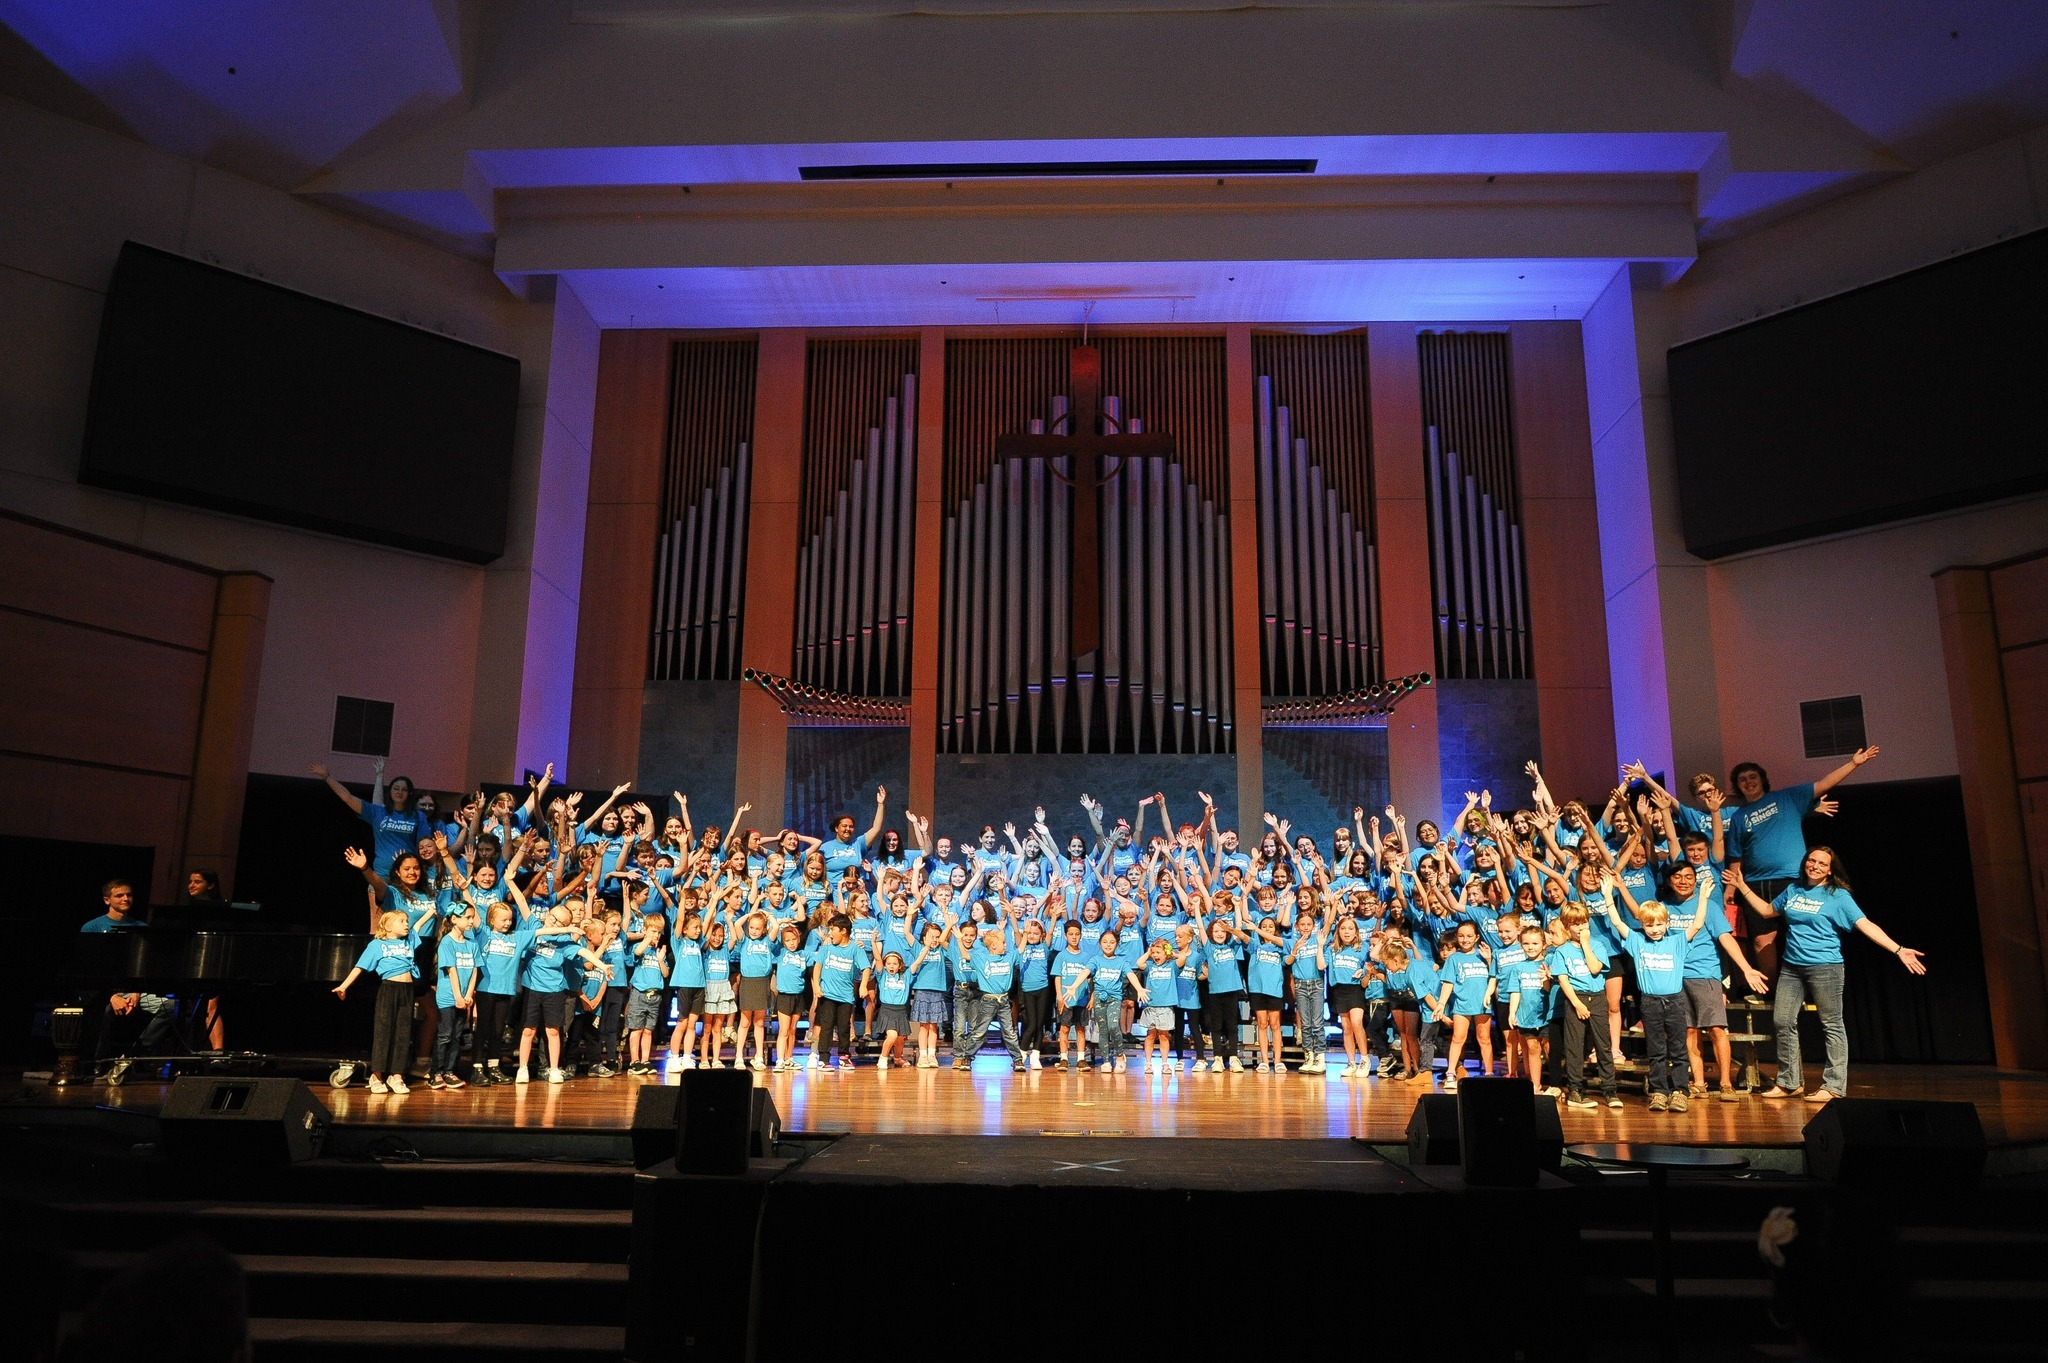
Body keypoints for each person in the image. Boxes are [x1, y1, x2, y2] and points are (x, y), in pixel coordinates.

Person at [1726, 848, 1925, 1104]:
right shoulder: (1793, 890)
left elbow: (1864, 924)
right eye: (1812, 860)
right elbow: (1766, 911)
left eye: (1822, 863)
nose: (1815, 866)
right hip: (1791, 968)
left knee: (1832, 1025)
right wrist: (1741, 885)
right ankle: (1789, 1083)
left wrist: (1897, 949)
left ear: (1830, 869)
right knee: (1782, 1021)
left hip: (1826, 968)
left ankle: (1833, 1086)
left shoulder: (1838, 896)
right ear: (1805, 862)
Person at [1724, 746, 1881, 981]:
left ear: (1762, 780)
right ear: (1738, 785)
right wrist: (1731, 889)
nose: (1748, 782)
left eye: (1752, 777)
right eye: (1742, 779)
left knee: (1802, 930)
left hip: (1792, 881)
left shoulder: (1787, 797)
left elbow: (1824, 783)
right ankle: (1771, 993)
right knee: (1761, 941)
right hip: (1755, 884)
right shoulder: (1738, 817)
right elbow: (1736, 857)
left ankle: (1808, 984)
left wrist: (1854, 763)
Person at [1605, 869, 1713, 1112]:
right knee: (1656, 1051)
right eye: (1649, 924)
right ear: (1642, 925)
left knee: (1678, 1049)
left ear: (1667, 923)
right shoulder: (1637, 942)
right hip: (1650, 1002)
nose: (1654, 929)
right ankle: (1658, 1092)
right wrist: (1607, 896)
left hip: (1674, 1001)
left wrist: (1703, 897)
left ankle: (1680, 1091)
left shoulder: (1676, 942)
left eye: (1658, 924)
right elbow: (1617, 922)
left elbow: (1697, 923)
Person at [1548, 904, 1619, 1110]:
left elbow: (1596, 968)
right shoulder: (1562, 951)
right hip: (1575, 999)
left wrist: (1586, 944)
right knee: (1574, 1046)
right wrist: (1577, 1004)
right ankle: (1576, 1090)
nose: (1580, 927)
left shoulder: (1597, 945)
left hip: (1596, 997)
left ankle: (1610, 1089)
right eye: (1575, 924)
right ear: (1566, 926)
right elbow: (1563, 980)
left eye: (1583, 922)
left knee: (1603, 1045)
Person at [427, 906, 479, 1089]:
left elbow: (474, 971)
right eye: (468, 917)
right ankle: (436, 1073)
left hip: (463, 998)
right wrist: (458, 996)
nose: (471, 921)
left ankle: (449, 1071)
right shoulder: (447, 943)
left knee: (456, 1036)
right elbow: (452, 971)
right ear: (455, 919)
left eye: (473, 917)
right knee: (445, 1035)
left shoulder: (472, 943)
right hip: (449, 997)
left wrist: (468, 995)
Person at [810, 914, 870, 1070]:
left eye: (833, 930)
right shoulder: (827, 947)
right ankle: (823, 1059)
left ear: (843, 931)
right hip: (827, 994)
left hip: (845, 996)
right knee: (827, 1026)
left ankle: (844, 1056)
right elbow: (817, 966)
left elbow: (866, 968)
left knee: (844, 1028)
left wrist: (863, 985)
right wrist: (816, 986)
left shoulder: (855, 949)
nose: (830, 933)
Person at [624, 914, 671, 1075]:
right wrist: (646, 938)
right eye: (653, 931)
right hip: (639, 994)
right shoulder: (640, 947)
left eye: (658, 932)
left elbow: (665, 974)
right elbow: (636, 952)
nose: (656, 935)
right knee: (636, 1029)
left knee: (648, 1030)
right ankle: (634, 1061)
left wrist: (660, 959)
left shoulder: (659, 952)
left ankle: (645, 1060)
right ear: (645, 930)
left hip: (655, 996)